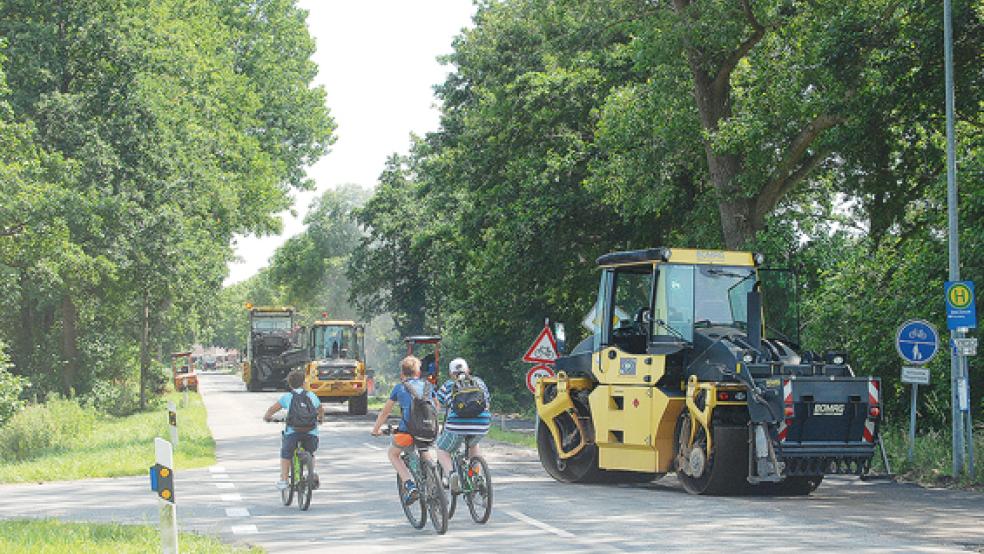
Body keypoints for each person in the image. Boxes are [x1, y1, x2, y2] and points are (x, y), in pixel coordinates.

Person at [371, 355, 436, 503]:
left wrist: (376, 430)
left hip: (407, 432)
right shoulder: (427, 386)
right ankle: (434, 482)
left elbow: (385, 412)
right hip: (429, 430)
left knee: (393, 454)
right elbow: (436, 407)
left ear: (402, 373)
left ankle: (410, 484)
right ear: (418, 372)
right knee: (425, 452)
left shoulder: (399, 388)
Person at [263, 368, 325, 491]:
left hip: (293, 432)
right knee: (310, 453)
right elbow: (320, 410)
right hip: (310, 432)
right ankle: (311, 473)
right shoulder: (311, 395)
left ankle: (284, 481)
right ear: (304, 383)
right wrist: (320, 419)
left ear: (290, 384)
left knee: (286, 454)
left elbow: (272, 409)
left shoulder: (287, 397)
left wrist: (267, 417)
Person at [435, 358, 491, 491]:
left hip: (457, 426)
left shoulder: (448, 385)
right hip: (482, 425)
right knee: (473, 444)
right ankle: (476, 477)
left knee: (442, 450)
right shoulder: (479, 382)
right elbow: (487, 402)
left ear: (451, 373)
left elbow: (436, 404)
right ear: (468, 370)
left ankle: (451, 474)